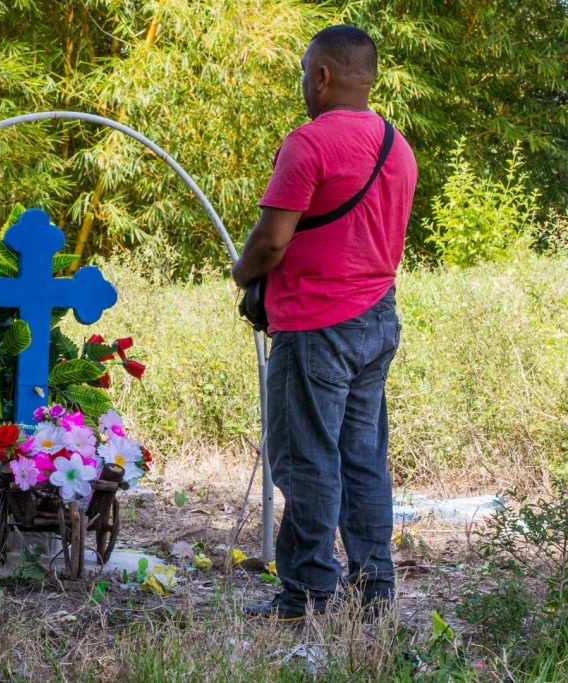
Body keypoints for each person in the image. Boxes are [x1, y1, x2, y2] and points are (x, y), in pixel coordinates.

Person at [231, 25, 417, 621]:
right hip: (377, 317)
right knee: (361, 456)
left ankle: (305, 595)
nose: (303, 84)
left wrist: (243, 275)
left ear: (323, 76)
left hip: (316, 323)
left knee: (306, 456)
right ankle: (373, 592)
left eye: (305, 72)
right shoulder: (398, 144)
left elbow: (271, 242)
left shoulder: (308, 144)